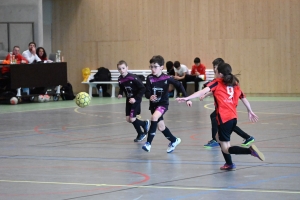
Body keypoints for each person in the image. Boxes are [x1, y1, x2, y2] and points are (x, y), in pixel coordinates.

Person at [177, 63, 265, 170]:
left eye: (216, 72)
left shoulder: (217, 82)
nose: (215, 74)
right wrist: (250, 110)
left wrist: (186, 98)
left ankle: (249, 151)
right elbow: (243, 98)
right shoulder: (234, 83)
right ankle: (229, 164)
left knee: (226, 149)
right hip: (233, 118)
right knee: (218, 138)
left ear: (220, 74)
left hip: (224, 119)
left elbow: (202, 91)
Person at [142, 55, 192, 153]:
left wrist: (187, 99)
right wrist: (150, 96)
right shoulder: (149, 78)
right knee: (161, 127)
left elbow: (179, 85)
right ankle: (174, 140)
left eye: (155, 67)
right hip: (153, 105)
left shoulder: (167, 78)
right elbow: (147, 92)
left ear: (161, 67)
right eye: (151, 67)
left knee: (154, 118)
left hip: (163, 104)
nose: (153, 69)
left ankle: (148, 144)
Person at [202, 58, 255, 148]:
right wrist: (206, 95)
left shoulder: (226, 79)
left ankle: (215, 140)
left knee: (219, 119)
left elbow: (240, 95)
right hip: (223, 105)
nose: (214, 69)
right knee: (223, 122)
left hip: (225, 106)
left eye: (215, 67)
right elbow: (216, 89)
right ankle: (247, 137)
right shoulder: (222, 78)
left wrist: (250, 110)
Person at [117, 60, 150, 142]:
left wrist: (135, 99)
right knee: (128, 119)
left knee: (132, 118)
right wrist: (120, 93)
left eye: (123, 68)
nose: (122, 70)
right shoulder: (120, 79)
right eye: (120, 69)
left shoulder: (133, 77)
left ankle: (141, 134)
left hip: (136, 99)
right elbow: (122, 87)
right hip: (128, 100)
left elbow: (143, 88)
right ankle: (144, 124)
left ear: (127, 68)